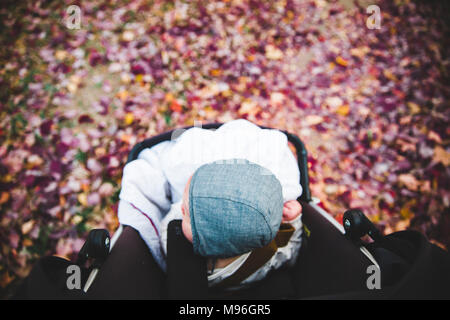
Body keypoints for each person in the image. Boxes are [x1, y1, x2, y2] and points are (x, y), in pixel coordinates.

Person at [118, 119, 303, 288]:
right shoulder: (267, 255)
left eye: (186, 213)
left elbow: (165, 233)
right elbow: (291, 251)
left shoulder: (172, 242)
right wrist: (293, 221)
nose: (181, 208)